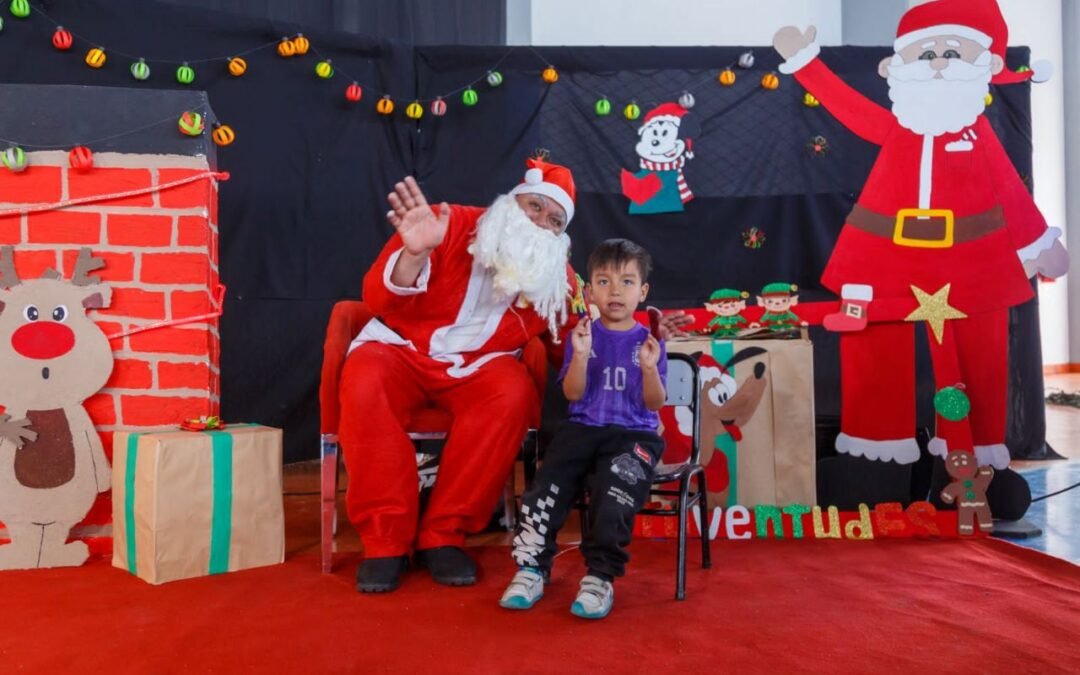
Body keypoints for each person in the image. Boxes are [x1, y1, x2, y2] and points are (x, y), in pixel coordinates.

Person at [341, 159, 693, 594]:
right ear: (512, 202)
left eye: (554, 220)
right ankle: (385, 541)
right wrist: (414, 252)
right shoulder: (449, 223)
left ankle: (444, 534)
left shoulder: (558, 279)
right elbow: (376, 298)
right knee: (364, 377)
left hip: (479, 368)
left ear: (561, 236)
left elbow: (577, 344)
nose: (540, 222)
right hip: (399, 348)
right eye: (534, 206)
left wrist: (645, 336)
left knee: (510, 393)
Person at [771, 0, 1067, 473]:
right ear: (896, 67)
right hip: (884, 253)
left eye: (952, 52)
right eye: (925, 54)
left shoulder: (978, 136)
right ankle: (875, 446)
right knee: (874, 343)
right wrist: (807, 65)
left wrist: (1037, 243)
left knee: (978, 351)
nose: (939, 63)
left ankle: (975, 453)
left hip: (968, 258)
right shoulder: (897, 130)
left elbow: (1010, 192)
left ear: (985, 65)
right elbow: (850, 111)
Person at [499, 238, 666, 620]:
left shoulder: (649, 341)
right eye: (604, 282)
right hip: (583, 427)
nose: (615, 291)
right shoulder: (582, 334)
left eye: (626, 282)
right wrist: (583, 353)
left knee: (614, 493)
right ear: (589, 290)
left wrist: (648, 368)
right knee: (544, 488)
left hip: (633, 434)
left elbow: (654, 404)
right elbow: (573, 393)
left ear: (642, 291)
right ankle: (531, 569)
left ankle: (599, 578)